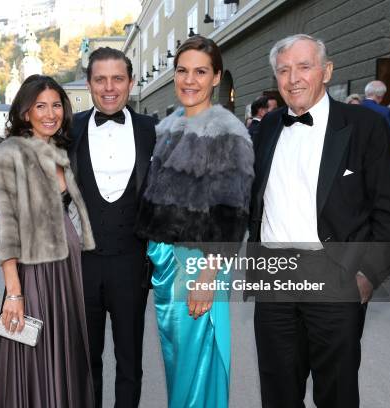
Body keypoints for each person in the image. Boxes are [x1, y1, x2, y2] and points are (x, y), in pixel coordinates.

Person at [248, 34, 390, 408]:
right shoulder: (268, 127)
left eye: (304, 66)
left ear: (326, 71)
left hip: (336, 274)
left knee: (335, 391)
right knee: (278, 390)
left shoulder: (364, 126)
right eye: (284, 70)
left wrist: (367, 275)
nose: (293, 78)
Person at [135, 35, 254, 408]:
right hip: (165, 266)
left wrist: (208, 276)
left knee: (197, 365)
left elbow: (232, 214)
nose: (189, 80)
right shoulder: (167, 128)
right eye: (182, 71)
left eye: (200, 72)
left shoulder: (227, 132)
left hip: (197, 265)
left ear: (216, 77)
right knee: (177, 362)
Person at [0, 74, 96, 408]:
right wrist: (14, 293)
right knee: (32, 354)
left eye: (55, 105)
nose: (50, 113)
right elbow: (6, 227)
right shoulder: (11, 154)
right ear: (25, 112)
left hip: (69, 272)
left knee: (66, 355)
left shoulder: (60, 150)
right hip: (34, 276)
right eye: (40, 106)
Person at [68, 47, 156, 408]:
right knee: (85, 361)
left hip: (132, 263)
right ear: (88, 84)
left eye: (117, 78)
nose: (109, 87)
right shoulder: (67, 128)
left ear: (131, 83)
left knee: (130, 361)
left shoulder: (154, 131)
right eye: (100, 79)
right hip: (80, 264)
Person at [362, 80, 390, 151]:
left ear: (366, 92)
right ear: (381, 96)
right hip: (377, 158)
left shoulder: (351, 109)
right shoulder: (385, 112)